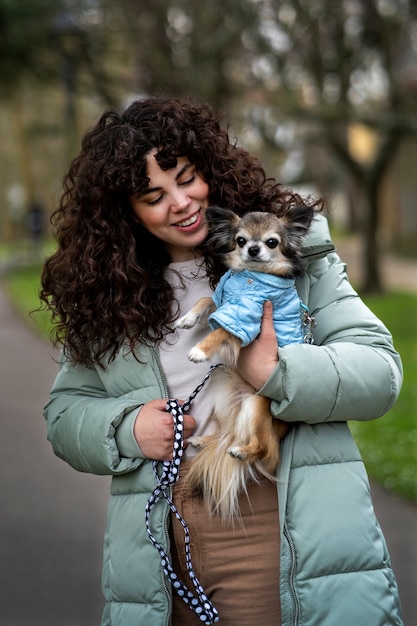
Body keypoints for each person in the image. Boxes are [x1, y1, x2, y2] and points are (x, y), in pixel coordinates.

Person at [40, 96, 404, 626]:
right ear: (127, 213)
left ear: (208, 166)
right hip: (157, 543)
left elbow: (379, 372)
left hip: (269, 518)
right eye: (152, 196)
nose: (181, 203)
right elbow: (64, 412)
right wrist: (127, 428)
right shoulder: (108, 295)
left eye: (186, 178)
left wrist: (274, 373)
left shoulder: (294, 255)